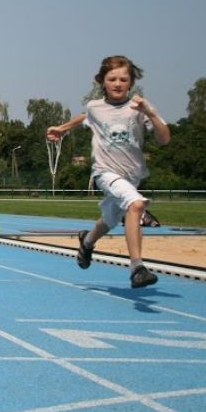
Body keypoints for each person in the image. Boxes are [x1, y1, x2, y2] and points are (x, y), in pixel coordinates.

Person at [47, 55, 171, 289]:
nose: (117, 83)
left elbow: (164, 139)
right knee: (136, 205)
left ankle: (87, 241)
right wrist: (62, 129)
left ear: (131, 83)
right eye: (112, 78)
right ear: (102, 81)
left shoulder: (139, 109)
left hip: (131, 176)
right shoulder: (95, 107)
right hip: (105, 173)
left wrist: (151, 113)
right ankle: (137, 268)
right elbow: (86, 116)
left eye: (123, 79)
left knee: (110, 220)